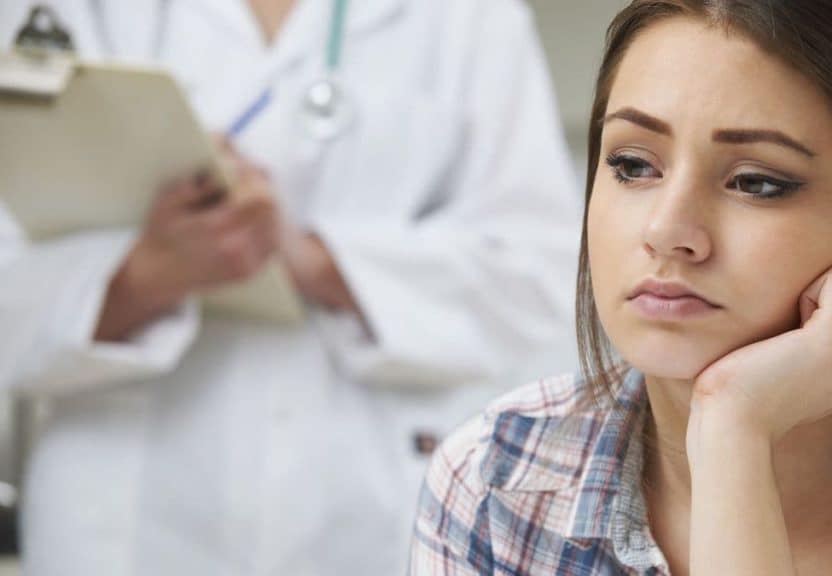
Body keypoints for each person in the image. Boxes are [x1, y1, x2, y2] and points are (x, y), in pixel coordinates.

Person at [410, 1, 832, 574]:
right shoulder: (496, 482)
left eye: (754, 182)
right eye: (633, 165)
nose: (667, 230)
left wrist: (734, 435)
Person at [0, 0, 580, 574]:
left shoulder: (470, 18)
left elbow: (535, 279)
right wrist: (149, 274)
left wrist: (308, 258)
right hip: (118, 519)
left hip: (368, 516)